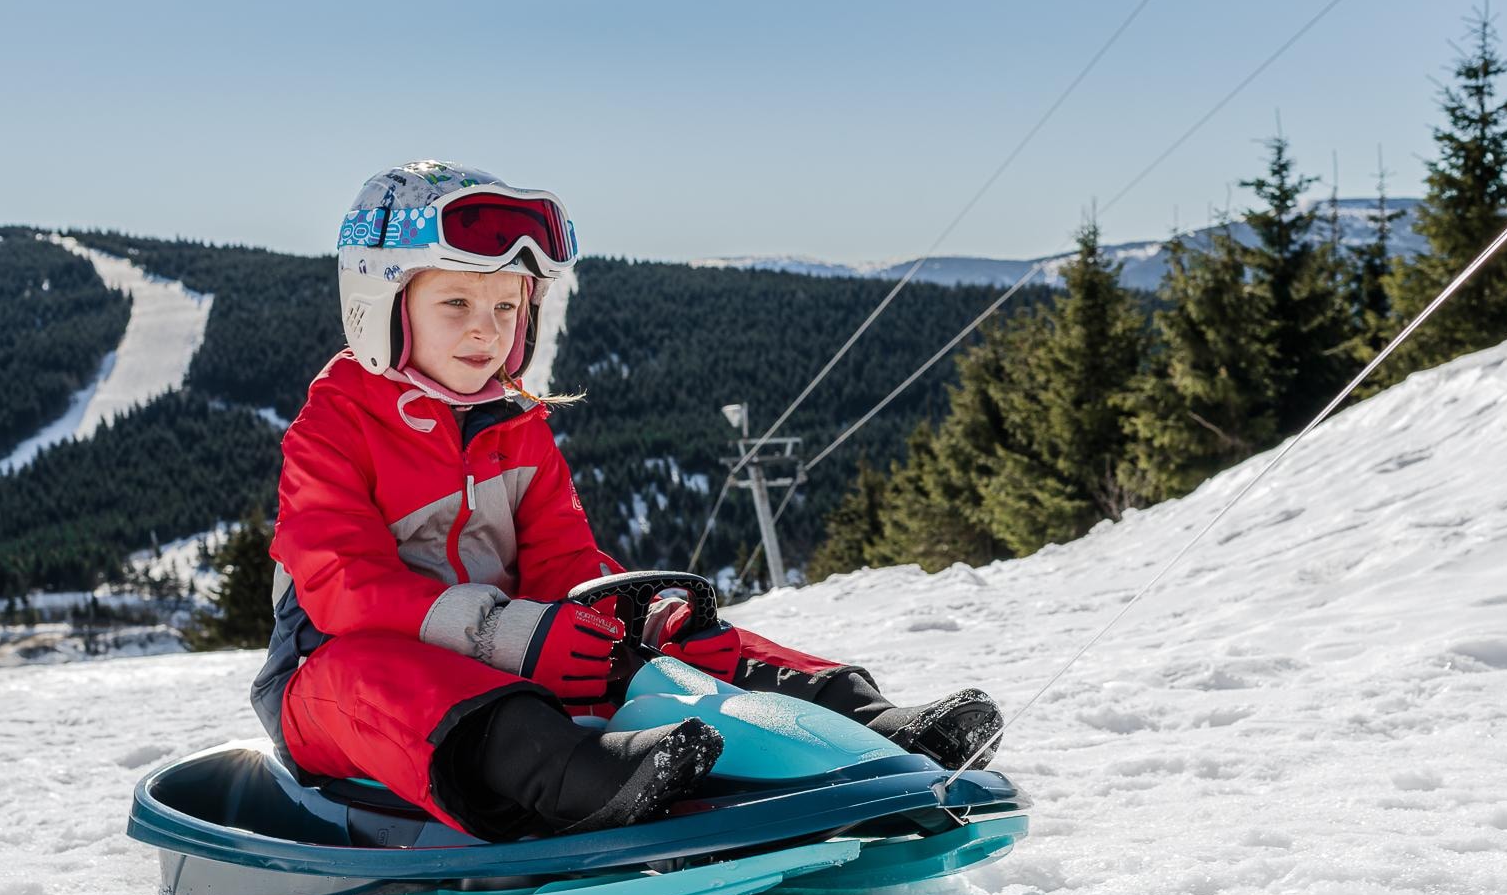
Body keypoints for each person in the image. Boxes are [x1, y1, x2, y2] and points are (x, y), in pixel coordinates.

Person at [250, 161, 1003, 841]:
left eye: (507, 309)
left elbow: (565, 567)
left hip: (505, 659)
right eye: (455, 302)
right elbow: (344, 589)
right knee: (379, 672)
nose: (485, 331)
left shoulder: (519, 432)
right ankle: (578, 780)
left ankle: (871, 724)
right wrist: (506, 635)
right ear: (378, 305)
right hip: (329, 688)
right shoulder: (333, 432)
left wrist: (649, 627)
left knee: (679, 640)